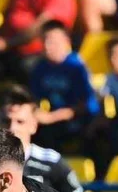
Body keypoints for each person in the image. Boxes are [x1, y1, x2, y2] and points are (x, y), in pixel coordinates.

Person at [29, 20, 100, 149]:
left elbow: (83, 105)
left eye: (52, 41)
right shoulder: (41, 67)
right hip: (54, 120)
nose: (47, 46)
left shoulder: (76, 67)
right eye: (44, 40)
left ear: (66, 41)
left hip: (81, 120)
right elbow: (35, 97)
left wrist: (51, 117)